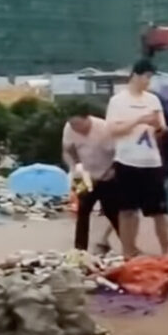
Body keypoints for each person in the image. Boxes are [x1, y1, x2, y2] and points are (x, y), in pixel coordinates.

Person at [105, 59, 168, 258]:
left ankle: (166, 252)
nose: (148, 82)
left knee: (159, 212)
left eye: (150, 78)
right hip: (127, 161)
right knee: (127, 210)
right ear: (135, 75)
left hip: (151, 161)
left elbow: (162, 129)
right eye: (146, 77)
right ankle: (128, 251)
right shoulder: (118, 101)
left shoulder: (153, 100)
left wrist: (158, 126)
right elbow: (113, 130)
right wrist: (139, 120)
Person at [62, 101, 119, 252]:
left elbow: (117, 154)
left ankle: (127, 246)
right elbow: (67, 150)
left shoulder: (104, 128)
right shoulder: (69, 128)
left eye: (79, 124)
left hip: (107, 173)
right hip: (84, 175)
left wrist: (111, 171)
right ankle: (80, 250)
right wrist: (74, 167)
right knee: (82, 211)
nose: (76, 129)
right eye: (73, 125)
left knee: (112, 212)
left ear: (88, 118)